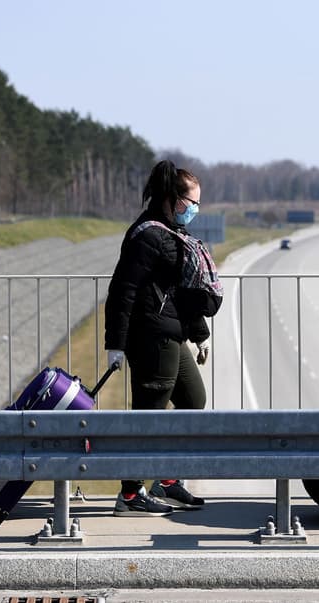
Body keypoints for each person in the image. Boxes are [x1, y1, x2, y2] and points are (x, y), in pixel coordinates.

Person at [104, 160, 217, 517]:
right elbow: (123, 289)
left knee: (193, 400)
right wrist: (115, 345)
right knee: (149, 416)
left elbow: (180, 292)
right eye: (190, 203)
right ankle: (130, 493)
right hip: (151, 337)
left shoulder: (171, 234)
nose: (195, 210)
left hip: (173, 334)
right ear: (171, 199)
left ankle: (166, 479)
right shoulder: (148, 236)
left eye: (199, 204)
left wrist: (200, 335)